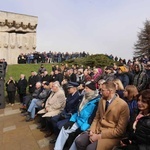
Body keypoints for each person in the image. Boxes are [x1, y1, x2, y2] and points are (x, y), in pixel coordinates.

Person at [74, 81, 130, 150]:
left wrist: (100, 136)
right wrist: (92, 130)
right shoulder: (101, 100)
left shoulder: (123, 105)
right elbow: (96, 118)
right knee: (79, 141)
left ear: (110, 91)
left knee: (90, 148)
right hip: (97, 130)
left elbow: (120, 131)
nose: (100, 92)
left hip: (110, 135)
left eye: (102, 90)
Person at [54, 81, 101, 150]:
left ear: (92, 89)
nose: (84, 89)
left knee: (77, 140)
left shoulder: (97, 101)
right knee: (64, 129)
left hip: (85, 125)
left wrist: (82, 128)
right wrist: (71, 120)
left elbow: (92, 118)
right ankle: (57, 148)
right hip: (78, 120)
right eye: (85, 87)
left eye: (87, 88)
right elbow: (77, 111)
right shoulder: (84, 97)